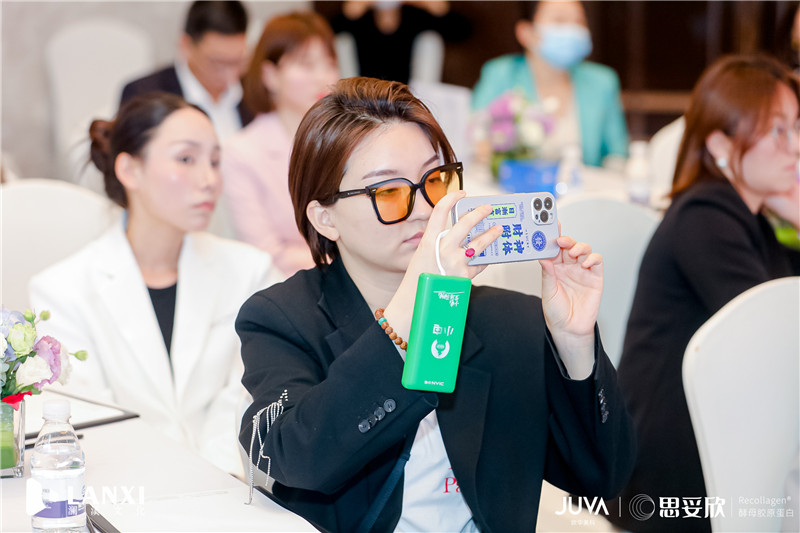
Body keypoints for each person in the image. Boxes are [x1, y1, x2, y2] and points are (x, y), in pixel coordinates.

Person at [236, 77, 635, 532]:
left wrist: (574, 343)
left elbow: (603, 476)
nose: (426, 208)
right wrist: (417, 306)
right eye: (388, 192)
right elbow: (296, 457)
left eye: (435, 180)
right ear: (325, 218)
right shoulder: (281, 318)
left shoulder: (509, 320)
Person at [30, 92, 279, 476]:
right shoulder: (62, 291)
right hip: (126, 490)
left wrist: (211, 484)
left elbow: (250, 396)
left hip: (232, 483)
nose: (210, 180)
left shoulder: (251, 271)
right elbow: (89, 420)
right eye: (186, 159)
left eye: (215, 161)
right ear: (130, 170)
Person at [609, 55, 800, 533]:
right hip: (671, 470)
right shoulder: (706, 216)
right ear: (720, 143)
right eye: (778, 130)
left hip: (719, 433)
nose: (795, 147)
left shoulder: (749, 220)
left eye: (796, 127)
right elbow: (777, 341)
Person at [222, 11, 339, 277]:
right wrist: (349, 260)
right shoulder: (241, 152)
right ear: (270, 75)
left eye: (329, 64)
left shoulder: (346, 143)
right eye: (307, 65)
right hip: (286, 288)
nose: (323, 77)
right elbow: (266, 254)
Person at [471, 0, 628, 167]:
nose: (572, 29)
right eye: (559, 20)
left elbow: (617, 153)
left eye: (579, 21)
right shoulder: (501, 74)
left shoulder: (602, 82)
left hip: (584, 182)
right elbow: (474, 135)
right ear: (526, 32)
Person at [120, 1, 252, 142]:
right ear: (186, 45)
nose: (230, 74)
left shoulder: (255, 90)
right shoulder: (144, 95)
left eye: (238, 61)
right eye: (217, 63)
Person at [330, 1, 470, 84]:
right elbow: (327, 35)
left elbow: (461, 31)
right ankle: (349, 98)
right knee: (343, 41)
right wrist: (351, 10)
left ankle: (423, 105)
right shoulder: (357, 20)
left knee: (430, 40)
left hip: (410, 96)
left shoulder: (416, 15)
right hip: (364, 94)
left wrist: (436, 7)